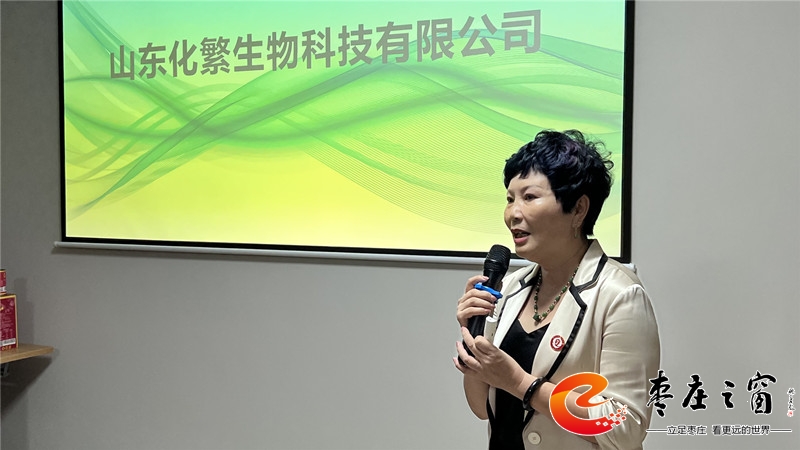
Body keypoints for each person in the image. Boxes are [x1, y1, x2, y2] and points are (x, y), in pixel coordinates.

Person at [454, 130, 660, 450]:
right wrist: (474, 344)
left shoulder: (620, 295)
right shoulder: (511, 287)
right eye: (510, 199)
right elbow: (483, 407)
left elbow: (623, 427)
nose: (513, 213)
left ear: (578, 209)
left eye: (529, 197)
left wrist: (521, 383)